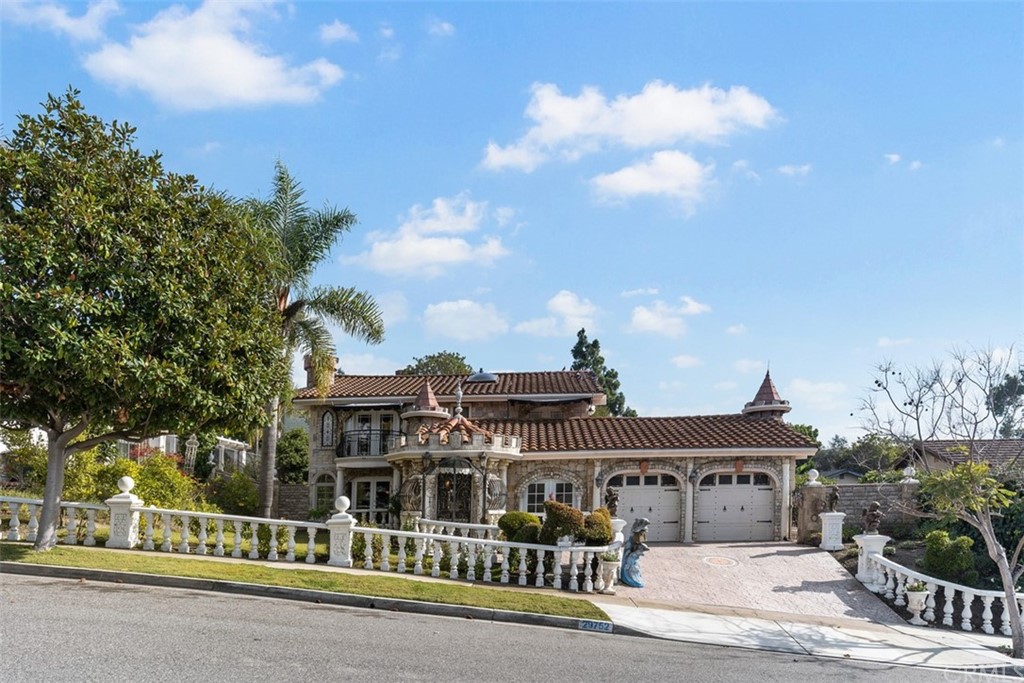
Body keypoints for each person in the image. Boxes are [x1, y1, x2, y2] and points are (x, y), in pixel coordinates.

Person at [619, 518, 650, 588]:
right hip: (629, 564)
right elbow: (628, 557)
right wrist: (637, 552)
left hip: (633, 561)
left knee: (635, 568)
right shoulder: (630, 543)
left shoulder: (636, 541)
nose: (643, 535)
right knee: (630, 568)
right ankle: (627, 578)